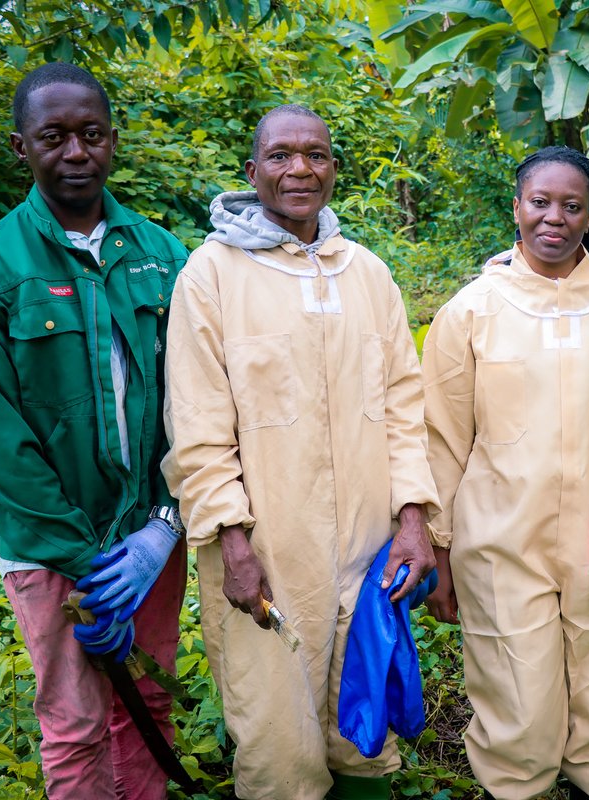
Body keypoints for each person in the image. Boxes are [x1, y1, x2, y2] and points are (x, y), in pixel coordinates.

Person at [161, 104, 440, 800]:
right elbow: (196, 423)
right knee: (278, 744)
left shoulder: (367, 274)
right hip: (267, 553)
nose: (299, 169)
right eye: (281, 156)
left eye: (314, 154)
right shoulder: (211, 275)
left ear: (333, 170)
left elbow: (406, 406)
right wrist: (232, 542)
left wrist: (413, 521)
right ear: (253, 172)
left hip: (368, 547)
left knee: (364, 729)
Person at [0, 63, 189, 800]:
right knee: (76, 724)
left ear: (113, 141)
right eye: (53, 137)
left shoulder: (162, 255)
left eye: (90, 134)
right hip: (50, 548)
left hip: (149, 540)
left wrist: (161, 530)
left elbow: (200, 404)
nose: (75, 152)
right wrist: (86, 565)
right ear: (21, 147)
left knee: (149, 702)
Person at [422, 146, 589, 800]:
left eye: (571, 206)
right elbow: (441, 438)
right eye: (540, 202)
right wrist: (440, 547)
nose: (554, 218)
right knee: (516, 704)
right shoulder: (472, 311)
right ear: (515, 208)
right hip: (501, 544)